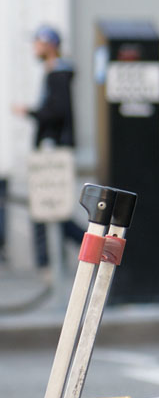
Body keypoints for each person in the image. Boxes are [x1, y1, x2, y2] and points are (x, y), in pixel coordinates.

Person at [11, 25, 86, 267]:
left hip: (52, 150)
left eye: (38, 43)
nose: (34, 48)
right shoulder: (54, 73)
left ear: (49, 45)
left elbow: (57, 112)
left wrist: (30, 112)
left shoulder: (58, 74)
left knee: (48, 209)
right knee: (49, 210)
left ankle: (78, 252)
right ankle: (51, 262)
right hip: (50, 148)